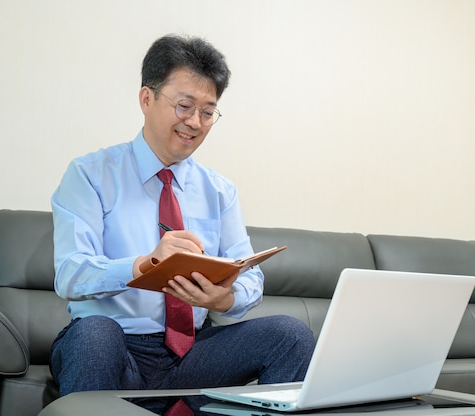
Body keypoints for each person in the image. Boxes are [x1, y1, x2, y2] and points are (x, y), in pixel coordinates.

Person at [49, 34, 315, 396]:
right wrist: (145, 264)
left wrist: (225, 299)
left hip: (193, 356)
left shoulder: (219, 191)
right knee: (96, 332)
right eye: (184, 106)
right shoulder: (90, 175)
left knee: (291, 334)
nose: (194, 122)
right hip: (115, 346)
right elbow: (70, 274)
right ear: (147, 98)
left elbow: (251, 278)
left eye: (207, 112)